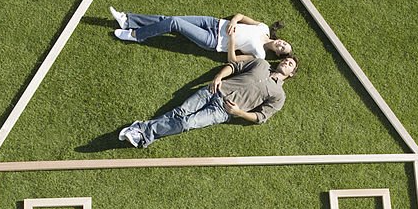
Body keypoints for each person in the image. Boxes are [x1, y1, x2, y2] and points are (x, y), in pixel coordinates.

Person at [119, 55, 299, 148]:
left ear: (290, 75)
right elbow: (234, 66)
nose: (286, 62)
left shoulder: (279, 95)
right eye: (286, 60)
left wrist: (239, 113)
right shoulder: (261, 64)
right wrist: (218, 77)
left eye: (290, 64)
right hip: (213, 90)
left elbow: (261, 117)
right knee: (179, 112)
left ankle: (143, 130)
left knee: (187, 122)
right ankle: (143, 134)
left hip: (223, 111)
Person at [108, 8, 292, 59]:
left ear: (277, 53)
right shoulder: (264, 28)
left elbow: (233, 60)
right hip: (214, 22)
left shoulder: (259, 55)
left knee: (174, 23)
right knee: (169, 18)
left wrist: (233, 39)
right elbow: (241, 15)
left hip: (213, 41)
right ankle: (127, 21)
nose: (281, 45)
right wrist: (234, 21)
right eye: (284, 43)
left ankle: (136, 35)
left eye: (282, 49)